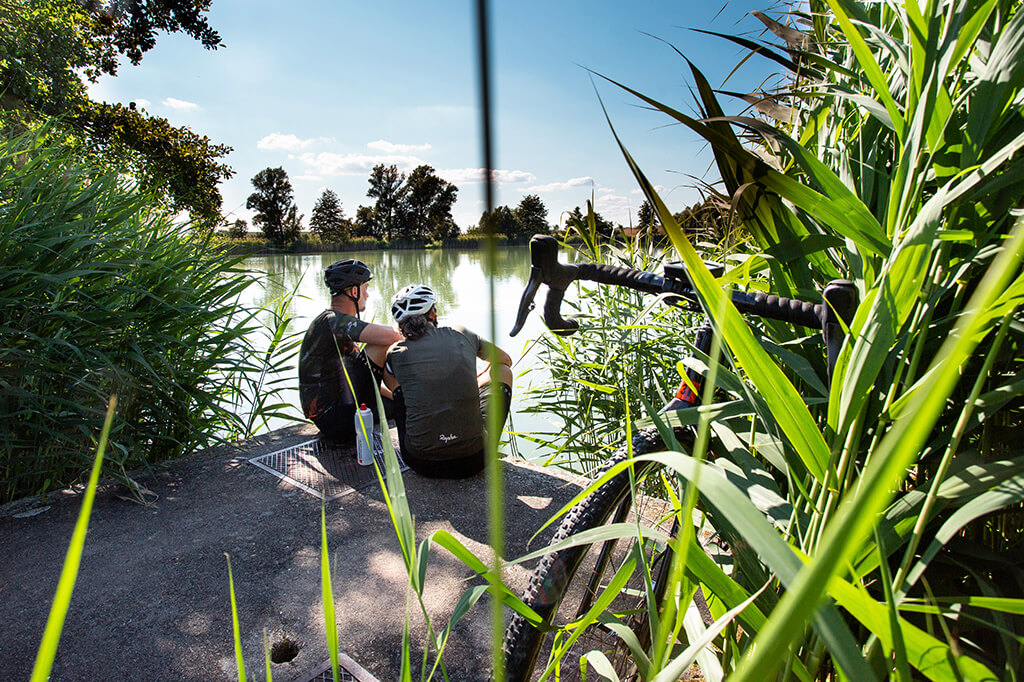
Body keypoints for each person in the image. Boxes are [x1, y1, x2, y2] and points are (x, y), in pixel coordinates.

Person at [383, 284, 513, 478]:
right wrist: (476, 380)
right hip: (476, 460)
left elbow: (396, 382)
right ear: (433, 312)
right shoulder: (462, 333)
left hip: (421, 463)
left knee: (394, 379)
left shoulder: (396, 352)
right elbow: (504, 360)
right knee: (503, 371)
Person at [298, 259, 402, 443]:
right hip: (335, 418)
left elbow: (365, 379)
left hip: (333, 416)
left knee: (394, 407)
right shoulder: (333, 321)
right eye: (366, 289)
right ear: (354, 291)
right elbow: (392, 336)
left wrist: (398, 396)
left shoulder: (332, 322)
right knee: (379, 344)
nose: (368, 295)